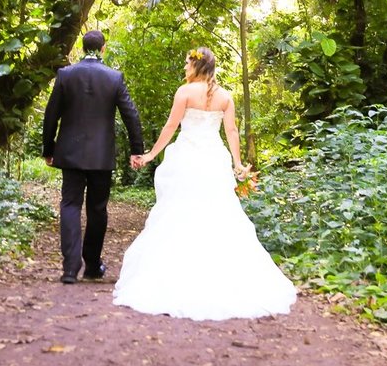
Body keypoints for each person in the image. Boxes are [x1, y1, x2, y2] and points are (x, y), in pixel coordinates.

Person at [113, 47, 296, 320]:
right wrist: (236, 162)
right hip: (213, 161)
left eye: (187, 63)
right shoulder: (225, 97)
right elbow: (231, 131)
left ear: (197, 66)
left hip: (187, 159)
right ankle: (219, 275)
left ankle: (179, 273)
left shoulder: (184, 92)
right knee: (217, 214)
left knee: (180, 212)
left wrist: (151, 154)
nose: (185, 67)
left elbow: (170, 127)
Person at [43, 30, 144, 284]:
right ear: (103, 49)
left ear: (81, 47)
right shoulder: (114, 77)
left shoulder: (66, 75)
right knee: (97, 209)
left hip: (71, 153)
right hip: (101, 156)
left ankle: (69, 268)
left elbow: (51, 114)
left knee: (70, 205)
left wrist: (49, 148)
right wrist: (137, 149)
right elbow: (130, 114)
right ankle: (91, 265)